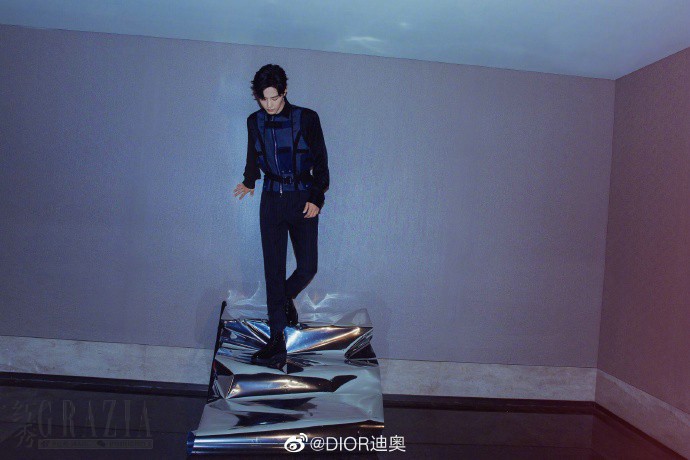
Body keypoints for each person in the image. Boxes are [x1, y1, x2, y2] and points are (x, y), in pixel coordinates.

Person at [233, 64, 330, 367]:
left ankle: (284, 299)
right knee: (273, 271)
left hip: (302, 198)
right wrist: (249, 180)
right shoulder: (254, 121)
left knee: (308, 267)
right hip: (271, 201)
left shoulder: (307, 118)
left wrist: (317, 197)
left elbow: (321, 161)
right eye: (263, 99)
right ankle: (276, 341)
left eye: (274, 98)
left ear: (285, 91)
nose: (269, 105)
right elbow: (253, 154)